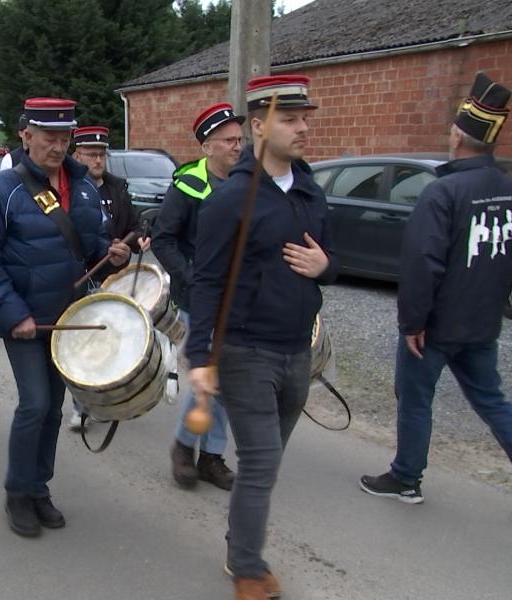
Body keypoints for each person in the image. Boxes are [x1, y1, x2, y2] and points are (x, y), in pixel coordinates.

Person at [359, 73, 512, 527]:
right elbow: (506, 261)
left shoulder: (442, 191)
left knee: (416, 397)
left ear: (460, 136)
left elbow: (423, 265)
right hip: (482, 323)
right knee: (492, 400)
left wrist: (412, 323)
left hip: (438, 325)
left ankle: (406, 478)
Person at [185, 76, 337, 600]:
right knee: (263, 461)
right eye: (290, 119)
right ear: (258, 126)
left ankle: (238, 536)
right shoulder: (232, 199)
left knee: (263, 463)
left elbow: (329, 255)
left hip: (298, 350)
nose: (302, 128)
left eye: (305, 118)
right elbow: (205, 280)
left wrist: (326, 267)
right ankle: (246, 564)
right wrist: (201, 356)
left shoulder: (311, 188)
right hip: (246, 349)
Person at [0, 97, 131, 538]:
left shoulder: (82, 186)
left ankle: (40, 488)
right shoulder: (2, 191)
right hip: (25, 321)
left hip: (69, 320)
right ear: (25, 135)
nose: (57, 147)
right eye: (48, 138)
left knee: (54, 410)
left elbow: (93, 248)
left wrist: (115, 256)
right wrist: (14, 313)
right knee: (35, 403)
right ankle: (17, 492)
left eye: (64, 139)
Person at [153, 103, 244, 491]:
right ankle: (185, 446)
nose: (237, 147)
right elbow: (163, 239)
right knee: (210, 377)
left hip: (241, 299)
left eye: (241, 140)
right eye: (228, 141)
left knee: (227, 379)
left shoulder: (248, 182)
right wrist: (191, 277)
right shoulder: (188, 185)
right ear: (207, 147)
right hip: (199, 300)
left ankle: (211, 455)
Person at [67, 124, 149, 430]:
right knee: (84, 344)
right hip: (84, 278)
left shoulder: (117, 187)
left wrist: (139, 239)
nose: (98, 160)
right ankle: (80, 406)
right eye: (91, 154)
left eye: (102, 154)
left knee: (114, 344)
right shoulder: (71, 188)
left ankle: (109, 399)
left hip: (117, 278)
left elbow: (136, 224)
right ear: (77, 155)